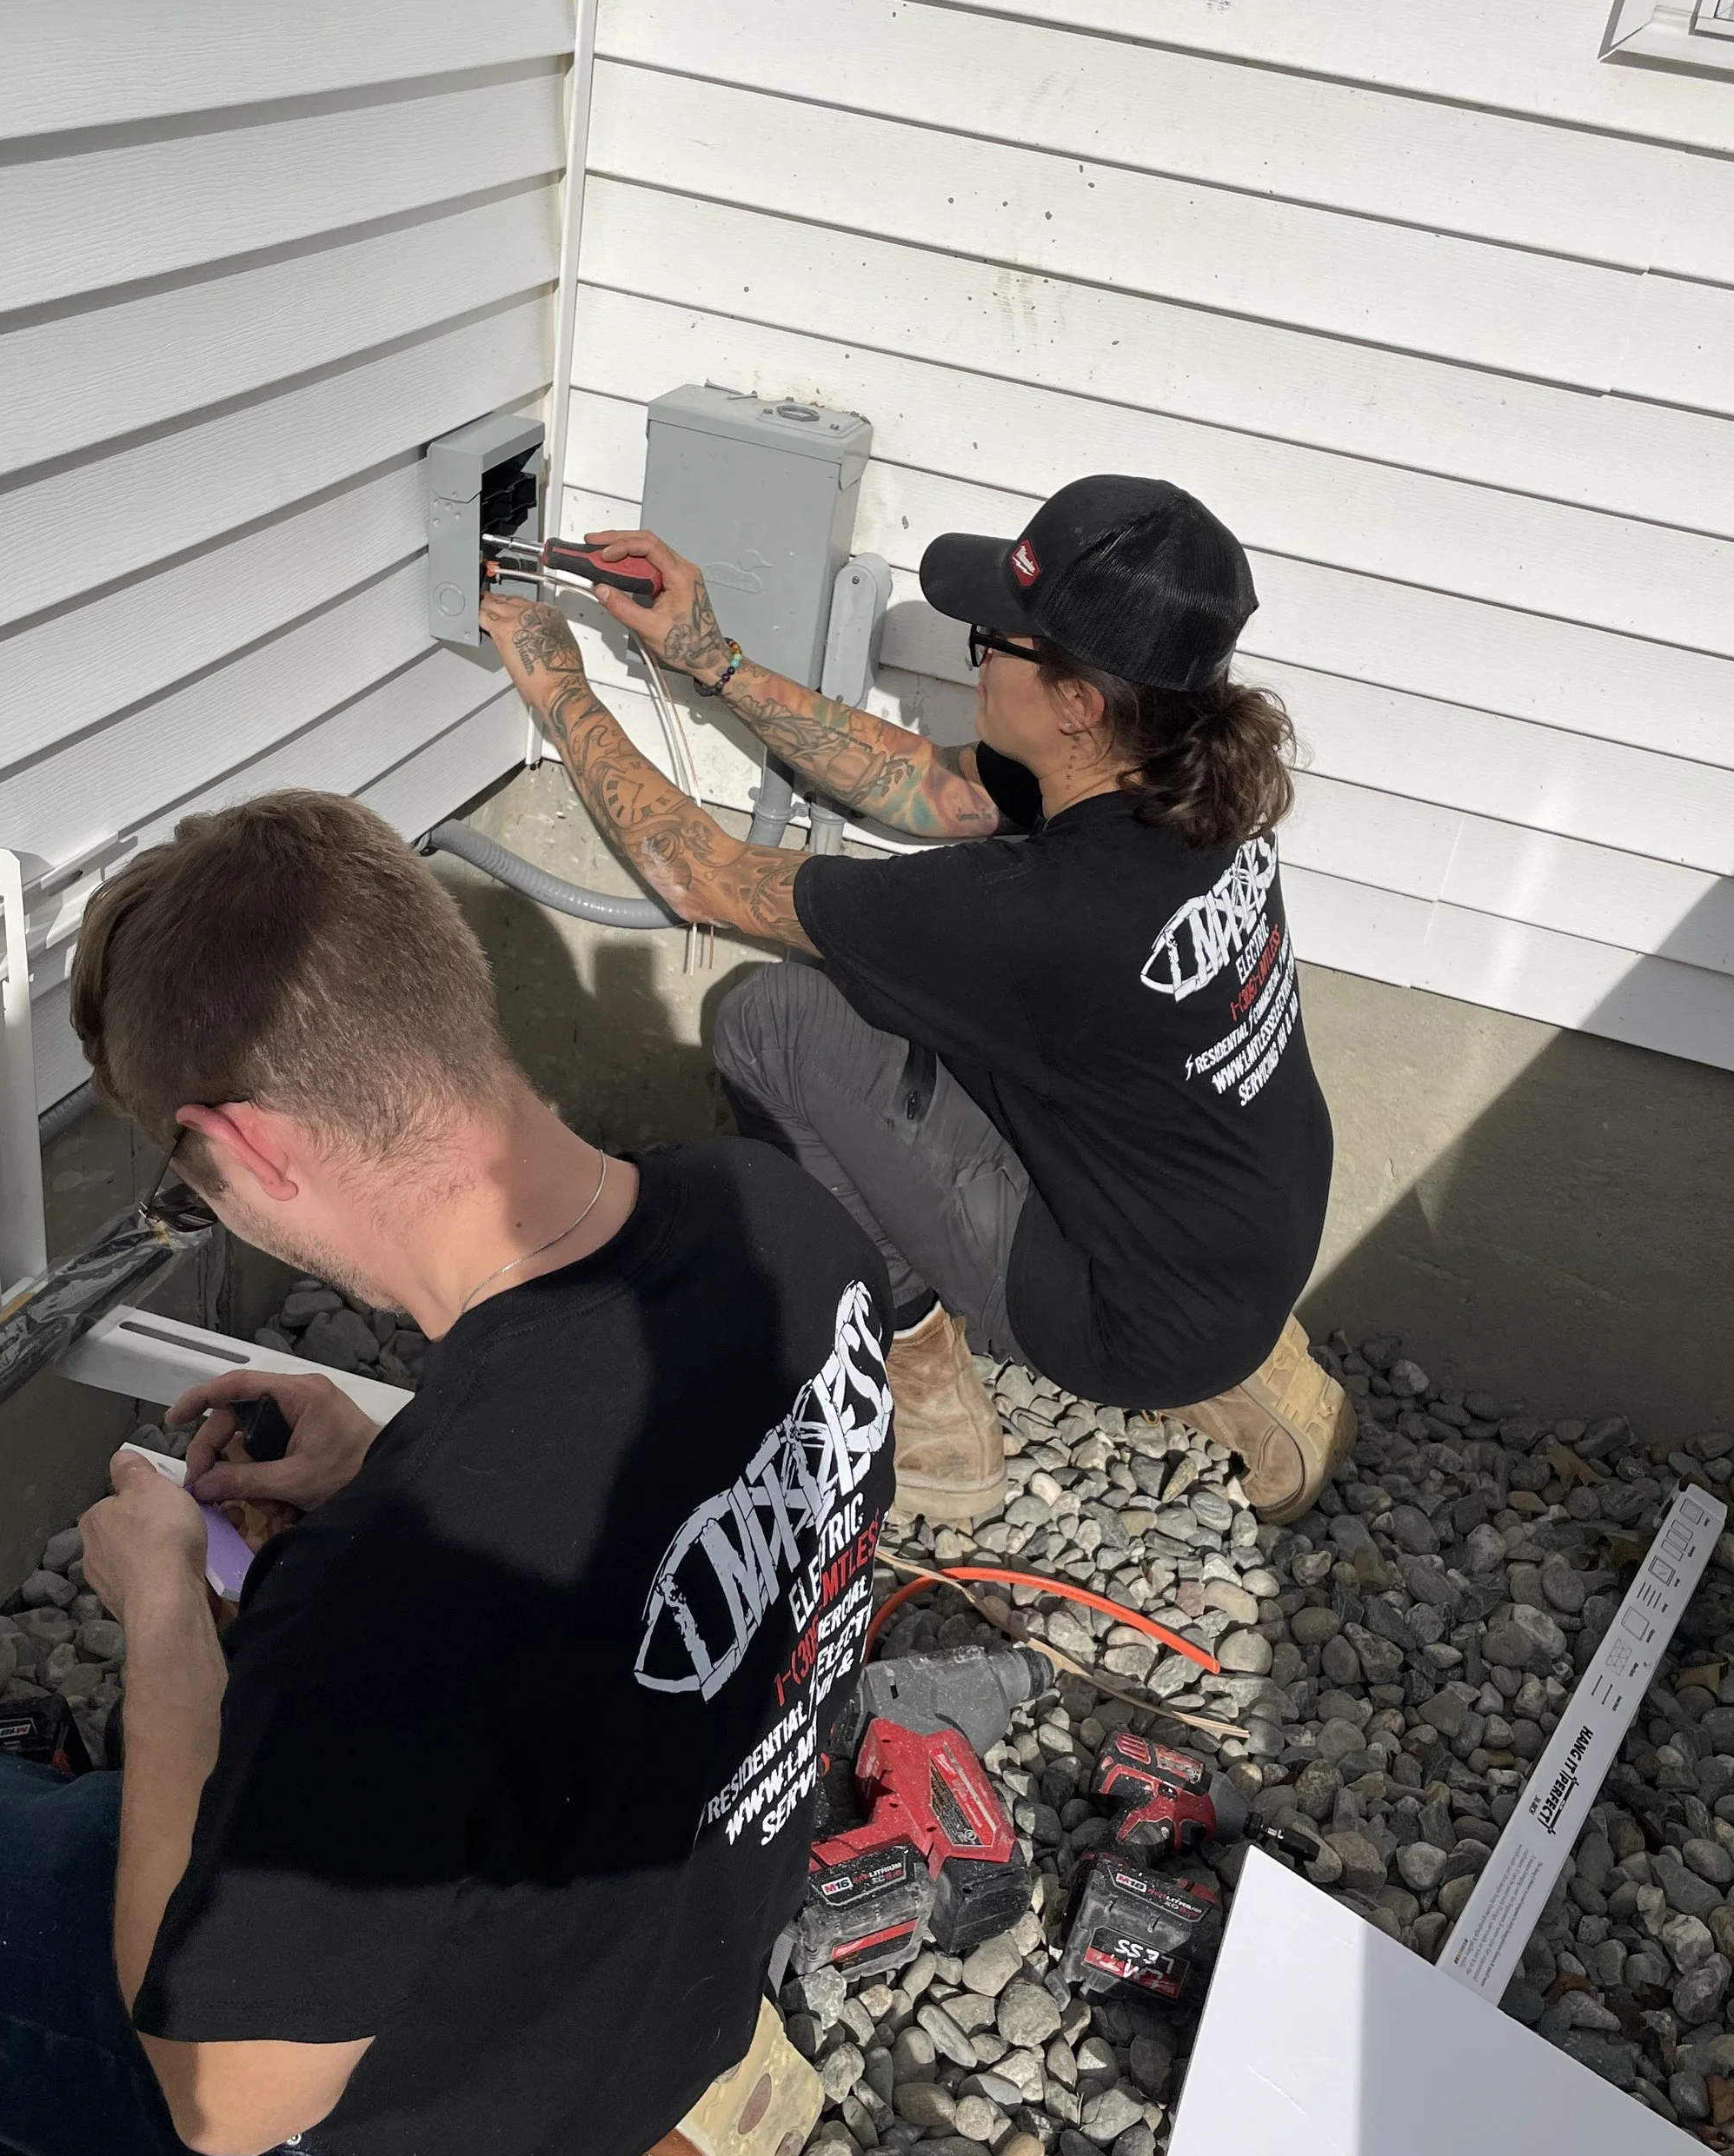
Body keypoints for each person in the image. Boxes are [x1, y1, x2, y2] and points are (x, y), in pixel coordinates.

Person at [0, 792, 893, 2156]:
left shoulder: (405, 1589)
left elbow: (229, 2095)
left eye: (190, 1171)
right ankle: (708, 2096)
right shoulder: (778, 1217)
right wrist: (390, 1461)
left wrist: (169, 1624)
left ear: (257, 1148)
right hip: (668, 1978)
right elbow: (646, 1551)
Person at [476, 472, 1349, 1529]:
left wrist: (558, 685)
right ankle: (1260, 1372)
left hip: (1133, 1318)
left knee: (775, 1024)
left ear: (1078, 704)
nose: (972, 654)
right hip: (1251, 1223)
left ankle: (931, 1415)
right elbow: (923, 780)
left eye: (994, 642)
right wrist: (708, 656)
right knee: (927, 1019)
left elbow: (694, 872)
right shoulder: (1189, 787)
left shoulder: (1036, 917)